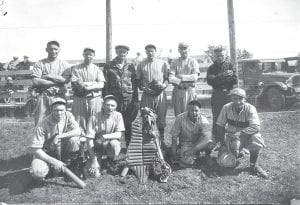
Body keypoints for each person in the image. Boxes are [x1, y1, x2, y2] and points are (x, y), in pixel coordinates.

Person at [216, 88, 268, 178]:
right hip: (231, 136)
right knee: (225, 163)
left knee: (256, 139)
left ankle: (253, 166)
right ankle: (239, 151)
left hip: (246, 136)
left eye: (240, 99)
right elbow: (219, 126)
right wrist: (223, 144)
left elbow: (256, 127)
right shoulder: (226, 107)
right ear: (231, 99)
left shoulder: (250, 108)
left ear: (245, 99)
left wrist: (240, 134)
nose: (238, 101)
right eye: (235, 99)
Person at [29, 97, 82, 182]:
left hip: (62, 150)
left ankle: (70, 165)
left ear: (65, 110)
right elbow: (36, 150)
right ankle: (51, 168)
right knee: (37, 172)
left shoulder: (68, 115)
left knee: (75, 139)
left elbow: (78, 131)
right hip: (47, 153)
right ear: (51, 110)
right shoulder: (42, 124)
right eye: (56, 110)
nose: (59, 113)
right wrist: (54, 161)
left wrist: (59, 136)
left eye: (61, 110)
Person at [103, 45, 139, 147]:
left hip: (128, 98)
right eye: (120, 51)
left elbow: (134, 83)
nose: (122, 54)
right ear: (116, 52)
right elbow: (105, 84)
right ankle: (113, 147)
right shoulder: (109, 66)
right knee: (113, 123)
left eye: (124, 52)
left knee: (128, 123)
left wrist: (135, 100)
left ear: (127, 53)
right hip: (114, 100)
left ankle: (129, 146)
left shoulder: (130, 66)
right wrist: (106, 100)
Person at [136, 44, 169, 150]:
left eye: (152, 51)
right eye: (148, 51)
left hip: (160, 94)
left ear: (155, 52)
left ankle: (161, 141)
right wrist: (144, 88)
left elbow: (167, 78)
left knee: (161, 117)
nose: (150, 53)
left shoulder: (163, 63)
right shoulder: (141, 64)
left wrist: (164, 85)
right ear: (146, 52)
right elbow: (138, 80)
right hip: (147, 94)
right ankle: (147, 142)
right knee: (147, 117)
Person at [31, 41, 71, 125]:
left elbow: (65, 80)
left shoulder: (64, 64)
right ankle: (41, 138)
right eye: (50, 49)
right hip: (43, 95)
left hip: (59, 96)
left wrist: (48, 76)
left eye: (55, 49)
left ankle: (58, 138)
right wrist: (57, 83)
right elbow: (36, 81)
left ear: (59, 50)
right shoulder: (40, 63)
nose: (53, 51)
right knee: (41, 122)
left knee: (60, 122)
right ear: (46, 50)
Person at [206, 46, 237, 153]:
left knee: (231, 117)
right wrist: (223, 75)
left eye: (222, 55)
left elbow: (234, 80)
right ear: (215, 56)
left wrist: (218, 78)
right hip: (217, 94)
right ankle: (217, 142)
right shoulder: (211, 68)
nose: (220, 57)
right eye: (218, 56)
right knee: (217, 118)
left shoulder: (230, 65)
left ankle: (231, 142)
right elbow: (211, 81)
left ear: (225, 55)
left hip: (229, 94)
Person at [85, 95, 125, 176]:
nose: (110, 108)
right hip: (97, 147)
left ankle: (110, 160)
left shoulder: (118, 115)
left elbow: (119, 134)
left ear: (116, 107)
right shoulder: (94, 117)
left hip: (110, 144)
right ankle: (98, 160)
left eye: (112, 105)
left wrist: (105, 136)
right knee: (94, 175)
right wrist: (94, 160)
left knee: (115, 144)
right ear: (103, 105)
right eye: (107, 105)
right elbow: (89, 140)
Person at [71, 47, 105, 137]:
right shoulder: (76, 68)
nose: (88, 56)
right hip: (80, 98)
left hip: (94, 98)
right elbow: (77, 84)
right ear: (83, 55)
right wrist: (94, 83)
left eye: (90, 54)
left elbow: (101, 84)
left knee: (95, 121)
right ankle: (80, 148)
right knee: (79, 122)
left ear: (93, 56)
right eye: (86, 54)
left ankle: (95, 147)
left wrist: (88, 86)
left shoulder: (97, 69)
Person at [170, 100, 212, 168]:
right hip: (186, 143)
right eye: (191, 110)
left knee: (210, 143)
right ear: (188, 110)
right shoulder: (180, 118)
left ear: (199, 111)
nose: (194, 113)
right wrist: (174, 153)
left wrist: (192, 150)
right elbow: (174, 137)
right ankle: (188, 154)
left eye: (196, 110)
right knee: (186, 163)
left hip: (199, 144)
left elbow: (207, 137)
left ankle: (207, 156)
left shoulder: (204, 120)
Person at [169, 42, 199, 116]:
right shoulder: (174, 61)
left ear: (188, 49)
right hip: (178, 90)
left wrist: (181, 77)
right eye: (181, 48)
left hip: (189, 90)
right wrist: (187, 79)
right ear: (178, 50)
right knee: (178, 115)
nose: (183, 51)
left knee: (191, 113)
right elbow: (171, 78)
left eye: (185, 48)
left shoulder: (193, 61)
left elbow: (195, 77)